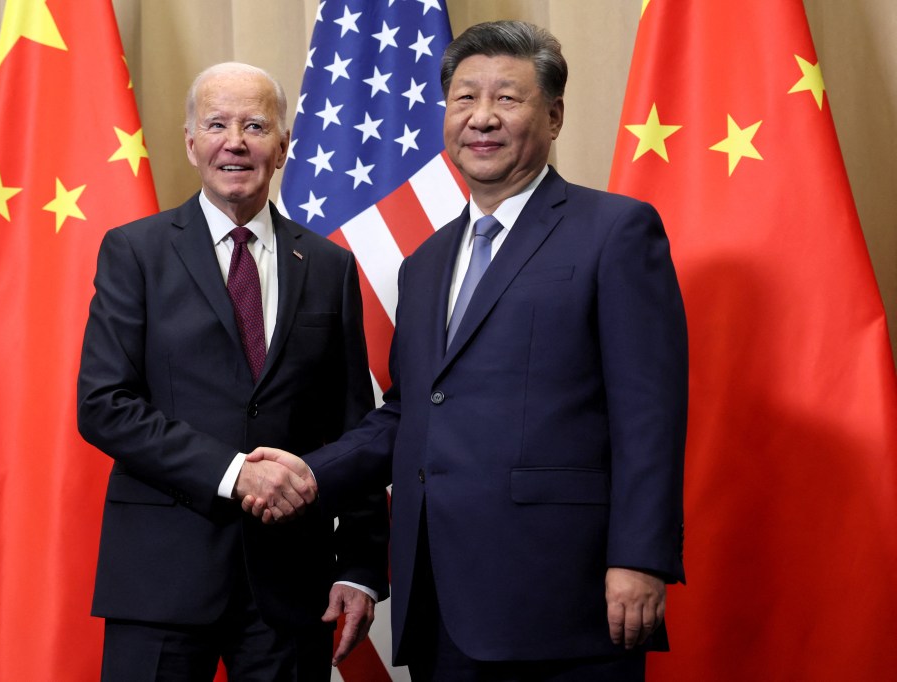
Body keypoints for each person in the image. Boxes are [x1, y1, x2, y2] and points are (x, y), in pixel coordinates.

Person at [244, 21, 688, 681]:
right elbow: (409, 411)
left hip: (563, 595)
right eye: (463, 99)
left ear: (555, 115)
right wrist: (311, 474)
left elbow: (649, 411)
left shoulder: (615, 232)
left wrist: (641, 558)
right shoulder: (425, 263)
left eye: (507, 99)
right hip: (441, 600)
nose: (482, 118)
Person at [77, 62, 389, 681]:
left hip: (291, 585)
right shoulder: (134, 251)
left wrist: (358, 565)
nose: (235, 141)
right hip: (161, 579)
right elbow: (104, 404)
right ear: (191, 143)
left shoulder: (328, 266)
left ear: (283, 145)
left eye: (255, 125)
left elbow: (355, 430)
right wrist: (232, 475)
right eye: (216, 124)